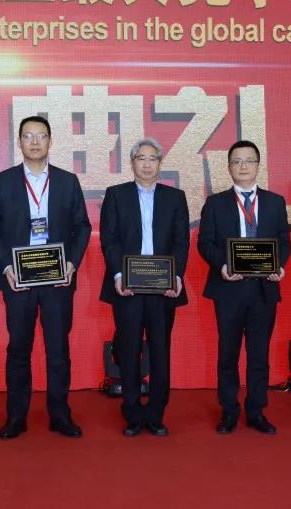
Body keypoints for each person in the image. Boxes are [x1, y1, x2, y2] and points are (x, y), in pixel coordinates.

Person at [0, 116, 92, 439]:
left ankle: (60, 415)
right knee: (18, 349)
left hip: (57, 278)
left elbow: (82, 226)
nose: (34, 142)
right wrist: (7, 267)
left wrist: (71, 263)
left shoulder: (67, 181)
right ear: (19, 142)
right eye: (28, 136)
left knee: (58, 350)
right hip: (18, 278)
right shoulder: (2, 181)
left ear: (50, 141)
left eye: (40, 136)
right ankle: (16, 417)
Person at [198, 140, 290, 435]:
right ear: (228, 167)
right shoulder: (216, 203)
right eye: (237, 161)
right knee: (228, 353)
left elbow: (283, 242)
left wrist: (279, 266)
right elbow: (205, 243)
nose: (243, 166)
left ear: (258, 165)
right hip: (228, 289)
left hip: (264, 289)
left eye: (249, 161)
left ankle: (256, 411)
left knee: (259, 354)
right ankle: (228, 411)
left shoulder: (275, 202)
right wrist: (223, 265)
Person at [99, 138, 189, 437]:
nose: (147, 164)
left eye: (153, 158)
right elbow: (109, 240)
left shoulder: (175, 198)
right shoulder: (116, 195)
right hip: (128, 287)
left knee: (161, 351)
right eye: (141, 158)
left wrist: (176, 277)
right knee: (129, 350)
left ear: (160, 163)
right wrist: (118, 275)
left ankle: (156, 413)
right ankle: (133, 412)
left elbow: (181, 241)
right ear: (132, 162)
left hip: (163, 288)